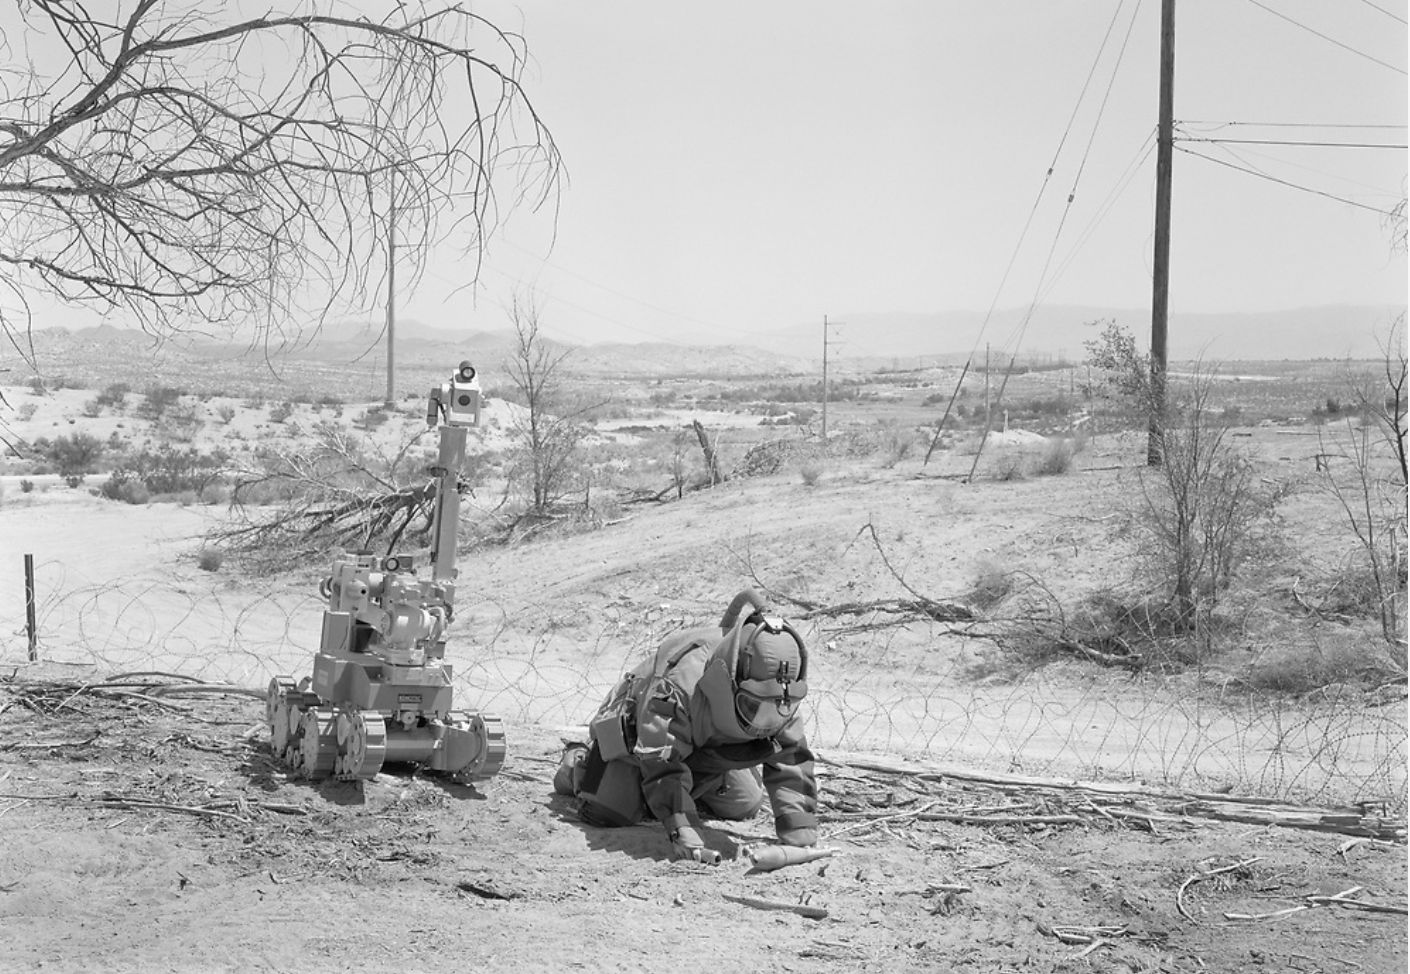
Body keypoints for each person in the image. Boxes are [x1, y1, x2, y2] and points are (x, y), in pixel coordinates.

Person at [554, 590, 818, 863]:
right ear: (729, 683)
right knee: (609, 813)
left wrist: (800, 833)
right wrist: (683, 828)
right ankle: (576, 763)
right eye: (754, 707)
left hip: (699, 746)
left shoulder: (778, 697)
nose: (766, 722)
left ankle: (673, 796)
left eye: (776, 709)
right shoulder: (681, 684)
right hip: (637, 743)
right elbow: (661, 762)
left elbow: (792, 758)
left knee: (745, 804)